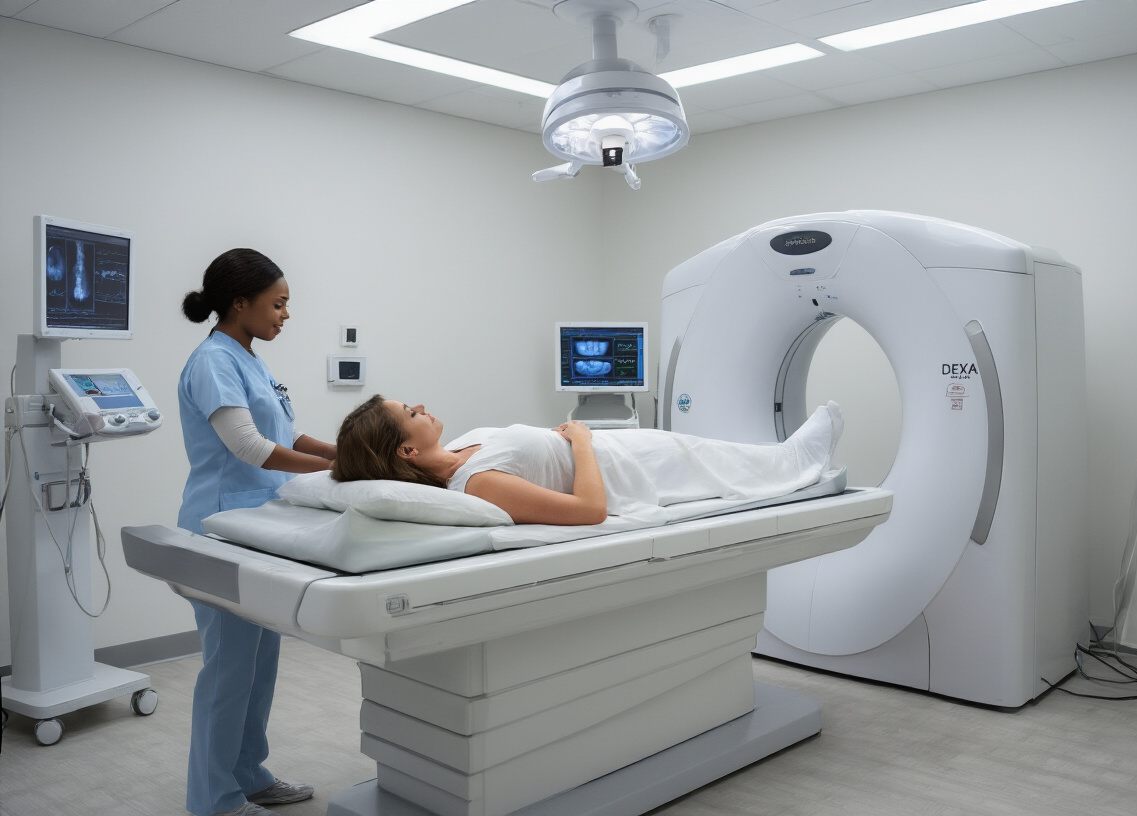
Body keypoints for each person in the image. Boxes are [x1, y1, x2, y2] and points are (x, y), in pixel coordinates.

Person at [177, 248, 336, 816]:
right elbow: (248, 447)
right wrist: (338, 471)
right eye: (278, 303)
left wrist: (358, 454)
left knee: (260, 664)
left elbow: (288, 436)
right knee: (228, 670)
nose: (285, 315)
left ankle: (249, 775)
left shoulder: (249, 357)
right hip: (220, 527)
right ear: (239, 303)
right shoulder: (214, 361)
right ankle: (215, 799)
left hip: (262, 529)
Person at [331, 395, 843, 526]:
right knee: (725, 466)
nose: (421, 405)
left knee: (722, 455)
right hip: (630, 470)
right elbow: (589, 511)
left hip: (620, 448)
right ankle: (796, 462)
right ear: (407, 450)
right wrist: (580, 441)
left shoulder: (466, 444)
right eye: (410, 411)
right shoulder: (476, 483)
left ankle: (789, 457)